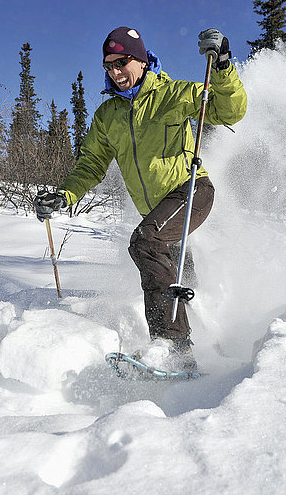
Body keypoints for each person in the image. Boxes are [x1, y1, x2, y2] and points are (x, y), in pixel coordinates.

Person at [34, 26, 247, 371]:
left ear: (143, 59)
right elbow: (90, 165)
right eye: (108, 65)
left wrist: (222, 63)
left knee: (145, 242)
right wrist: (64, 194)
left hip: (191, 191)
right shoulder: (107, 117)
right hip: (159, 211)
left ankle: (173, 346)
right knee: (179, 277)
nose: (115, 71)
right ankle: (210, 341)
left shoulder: (173, 94)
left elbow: (229, 110)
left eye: (122, 61)